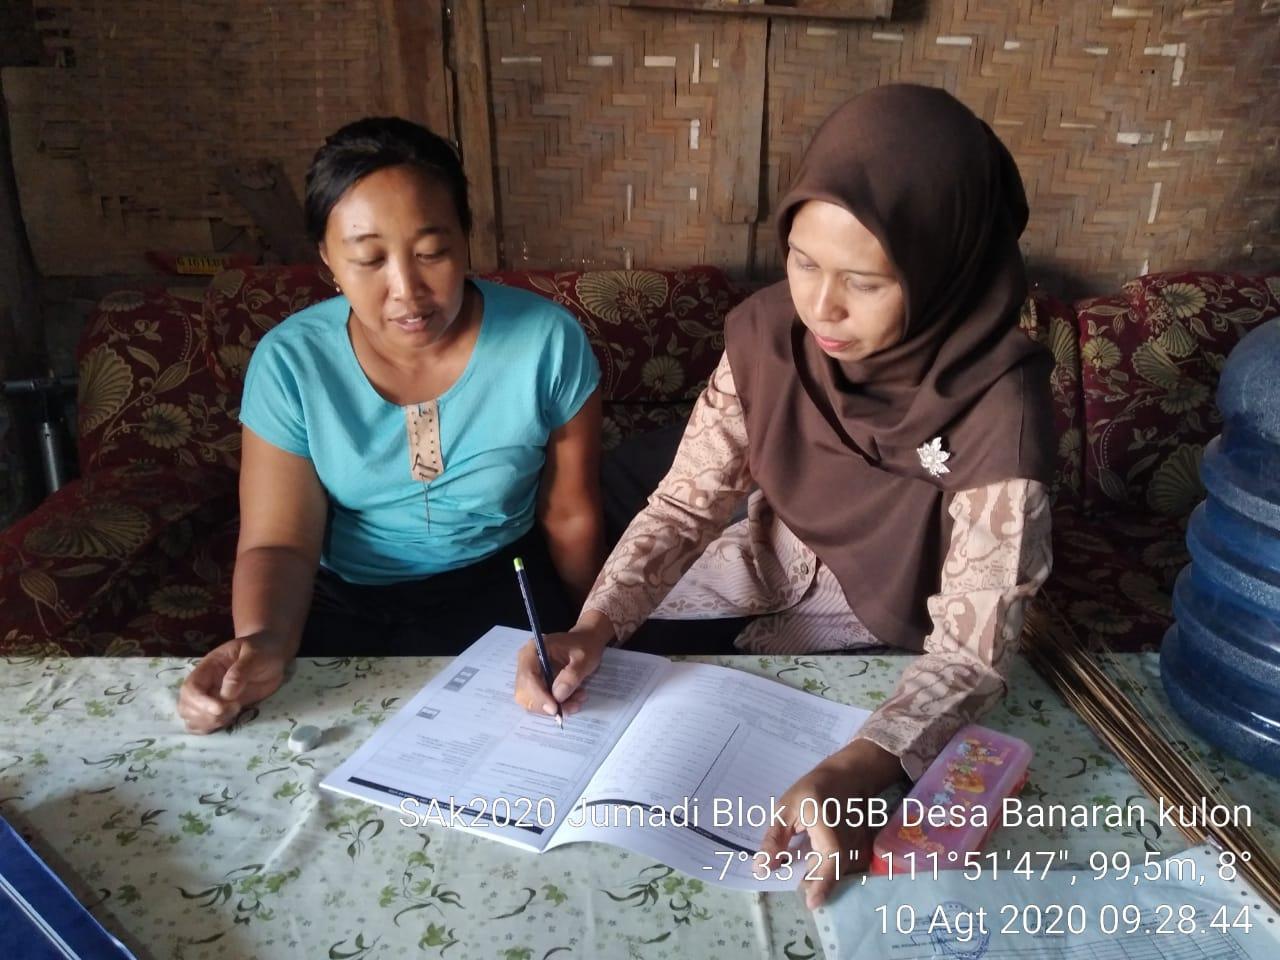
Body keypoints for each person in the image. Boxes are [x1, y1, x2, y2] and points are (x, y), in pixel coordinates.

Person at [513, 84, 1055, 908]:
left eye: (865, 282)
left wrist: (871, 760)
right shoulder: (770, 335)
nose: (822, 308)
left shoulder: (1001, 408)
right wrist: (594, 624)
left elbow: (971, 651)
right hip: (765, 565)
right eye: (804, 263)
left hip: (899, 634)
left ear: (944, 268)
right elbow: (689, 503)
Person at [179, 117, 604, 734]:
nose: (407, 291)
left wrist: (600, 627)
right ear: (327, 259)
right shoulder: (292, 363)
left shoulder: (546, 341)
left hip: (502, 586)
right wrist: (263, 642)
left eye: (432, 253)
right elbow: (278, 542)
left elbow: (570, 514)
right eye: (369, 260)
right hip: (349, 601)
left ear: (465, 239)